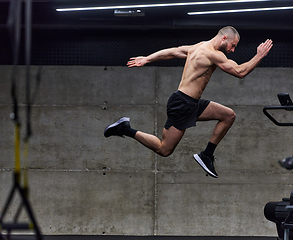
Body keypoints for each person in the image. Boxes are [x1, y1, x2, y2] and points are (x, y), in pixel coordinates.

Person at [104, 26, 273, 178]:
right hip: (183, 105)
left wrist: (148, 58)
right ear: (224, 39)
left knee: (228, 115)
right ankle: (125, 128)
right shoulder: (213, 54)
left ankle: (206, 155)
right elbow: (240, 72)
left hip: (191, 103)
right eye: (232, 45)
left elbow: (173, 51)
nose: (233, 50)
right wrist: (259, 56)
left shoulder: (198, 46)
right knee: (164, 149)